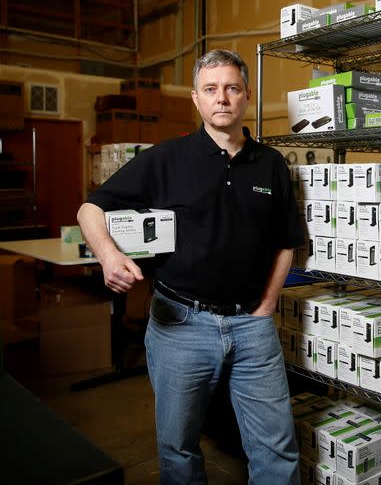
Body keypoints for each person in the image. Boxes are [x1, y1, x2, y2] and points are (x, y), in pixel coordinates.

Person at [77, 49, 303, 485]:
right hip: (180, 324)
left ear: (246, 97)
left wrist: (267, 306)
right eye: (211, 89)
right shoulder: (166, 159)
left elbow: (285, 242)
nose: (222, 98)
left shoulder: (271, 164)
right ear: (196, 100)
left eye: (232, 88)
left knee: (277, 447)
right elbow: (91, 208)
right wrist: (109, 254)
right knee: (178, 447)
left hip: (252, 327)